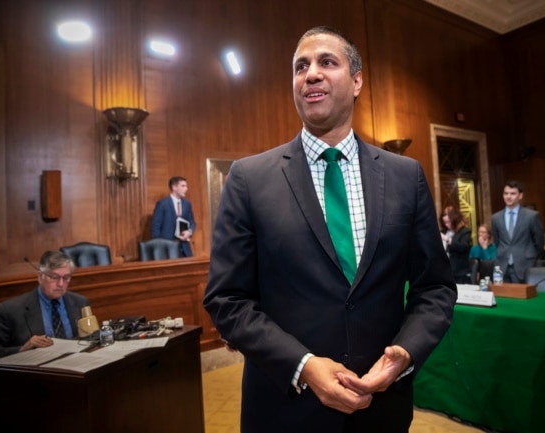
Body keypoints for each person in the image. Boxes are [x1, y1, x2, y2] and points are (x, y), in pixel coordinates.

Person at [203, 26, 457, 433]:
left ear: (356, 81)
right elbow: (227, 299)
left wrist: (405, 353)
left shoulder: (405, 175)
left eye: (327, 62)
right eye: (300, 66)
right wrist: (303, 366)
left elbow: (435, 287)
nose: (311, 74)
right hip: (285, 410)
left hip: (381, 408)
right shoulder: (249, 178)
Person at [0, 250, 90, 365]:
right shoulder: (10, 310)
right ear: (40, 277)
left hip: (75, 368)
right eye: (54, 277)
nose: (61, 284)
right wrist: (22, 349)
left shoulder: (80, 302)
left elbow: (88, 339)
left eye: (66, 277)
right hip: (34, 376)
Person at [491, 181, 545, 283]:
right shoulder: (496, 218)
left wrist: (530, 256)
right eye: (506, 193)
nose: (508, 197)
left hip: (525, 264)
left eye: (512, 193)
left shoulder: (531, 216)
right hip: (502, 265)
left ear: (520, 196)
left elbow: (539, 241)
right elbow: (497, 241)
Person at [151, 176, 196, 257]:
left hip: (184, 248)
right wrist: (160, 249)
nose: (186, 188)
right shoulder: (162, 204)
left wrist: (189, 232)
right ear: (174, 187)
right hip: (167, 249)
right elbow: (155, 228)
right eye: (183, 186)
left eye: (186, 186)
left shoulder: (187, 204)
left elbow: (192, 222)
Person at [439, 206, 472, 284]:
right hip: (444, 271)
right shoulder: (443, 231)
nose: (447, 225)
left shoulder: (465, 232)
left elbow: (463, 247)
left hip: (459, 273)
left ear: (455, 220)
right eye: (445, 222)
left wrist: (447, 239)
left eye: (449, 222)